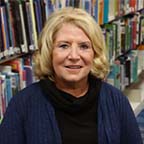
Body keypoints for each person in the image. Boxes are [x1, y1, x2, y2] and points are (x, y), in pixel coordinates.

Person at [0, 7, 142, 144]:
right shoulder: (22, 104)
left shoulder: (116, 101)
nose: (74, 56)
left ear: (95, 54)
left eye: (84, 46)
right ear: (49, 53)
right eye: (64, 46)